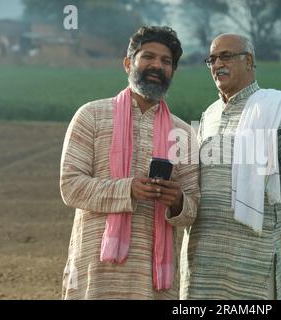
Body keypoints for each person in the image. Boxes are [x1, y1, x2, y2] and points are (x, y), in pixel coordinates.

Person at [180, 34, 281, 300]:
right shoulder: (209, 114)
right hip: (203, 256)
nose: (217, 64)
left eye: (226, 56)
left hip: (252, 258)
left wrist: (275, 228)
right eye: (211, 59)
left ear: (249, 61)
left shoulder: (275, 111)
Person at [60, 26, 199, 299]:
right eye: (148, 56)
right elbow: (70, 186)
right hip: (95, 270)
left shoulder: (183, 133)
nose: (157, 65)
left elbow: (192, 208)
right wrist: (129, 189)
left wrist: (177, 200)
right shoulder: (91, 116)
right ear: (128, 63)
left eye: (166, 61)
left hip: (153, 278)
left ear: (173, 71)